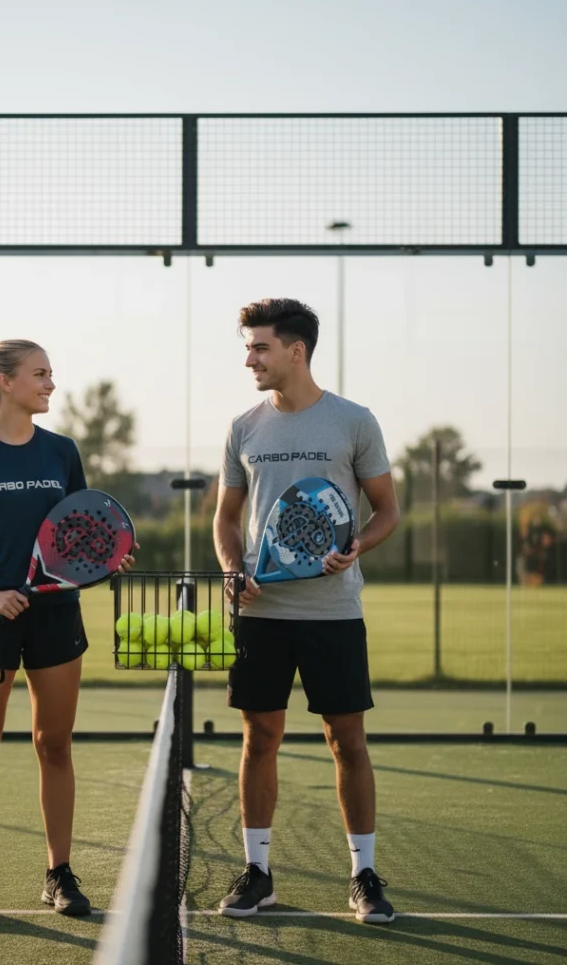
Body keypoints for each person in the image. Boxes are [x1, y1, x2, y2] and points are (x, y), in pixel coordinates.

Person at [0, 339, 136, 924]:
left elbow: (81, 532)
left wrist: (106, 556)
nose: (50, 385)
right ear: (4, 383)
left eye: (51, 375)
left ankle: (58, 874)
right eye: (40, 375)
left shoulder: (62, 452)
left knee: (55, 746)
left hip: (55, 616)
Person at [213, 298, 400, 924]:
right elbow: (226, 518)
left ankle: (364, 875)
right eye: (248, 347)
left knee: (346, 740)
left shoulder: (354, 421)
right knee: (259, 738)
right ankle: (258, 872)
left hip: (333, 615)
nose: (250, 359)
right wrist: (232, 570)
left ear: (296, 350)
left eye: (259, 347)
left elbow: (386, 511)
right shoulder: (243, 426)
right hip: (261, 617)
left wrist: (355, 547)